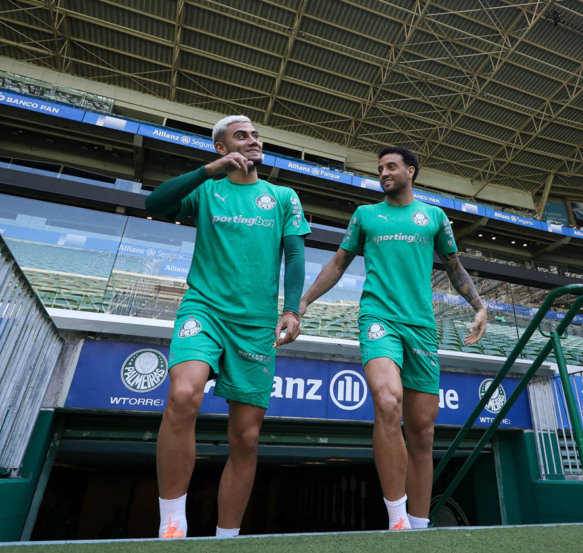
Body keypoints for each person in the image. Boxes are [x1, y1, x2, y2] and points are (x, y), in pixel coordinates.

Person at [287, 145, 487, 531]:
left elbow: (454, 266)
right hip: (378, 319)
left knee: (423, 432)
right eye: (380, 168)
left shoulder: (434, 217)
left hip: (421, 327)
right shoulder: (366, 215)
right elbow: (338, 263)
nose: (383, 173)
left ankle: (419, 526)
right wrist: (304, 301)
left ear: (411, 171)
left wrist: (479, 306)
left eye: (391, 166)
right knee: (387, 400)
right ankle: (397, 519)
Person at [146, 115, 309, 538]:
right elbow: (154, 204)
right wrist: (208, 171)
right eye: (242, 136)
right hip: (204, 309)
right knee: (183, 393)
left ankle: (226, 537)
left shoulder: (283, 196)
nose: (253, 140)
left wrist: (292, 310)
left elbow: (294, 256)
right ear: (222, 148)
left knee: (246, 437)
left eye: (256, 135)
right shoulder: (206, 190)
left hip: (256, 324)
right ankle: (171, 524)